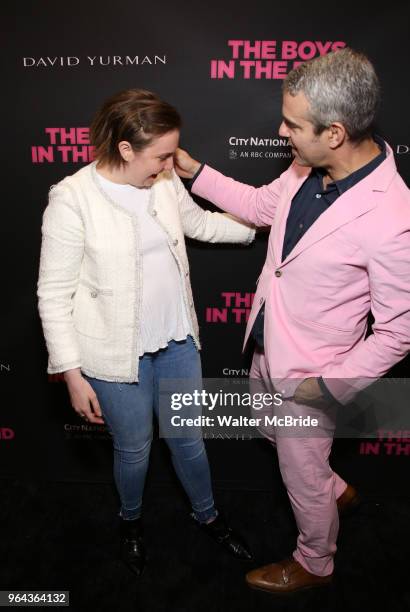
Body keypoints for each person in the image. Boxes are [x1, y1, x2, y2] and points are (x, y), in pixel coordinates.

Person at [175, 47, 410, 594]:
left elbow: (400, 329)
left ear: (334, 132)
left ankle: (314, 561)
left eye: (292, 123)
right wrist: (194, 171)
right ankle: (337, 490)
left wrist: (326, 387)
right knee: (269, 431)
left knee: (300, 478)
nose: (281, 131)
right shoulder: (309, 165)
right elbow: (261, 208)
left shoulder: (393, 217)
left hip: (312, 376)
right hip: (265, 346)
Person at [37, 88, 255, 576]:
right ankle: (131, 521)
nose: (169, 166)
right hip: (116, 356)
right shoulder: (72, 200)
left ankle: (209, 516)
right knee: (133, 449)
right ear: (126, 149)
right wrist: (72, 375)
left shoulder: (160, 182)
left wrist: (262, 226)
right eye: (161, 156)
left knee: (189, 441)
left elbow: (198, 223)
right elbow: (53, 295)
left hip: (177, 340)